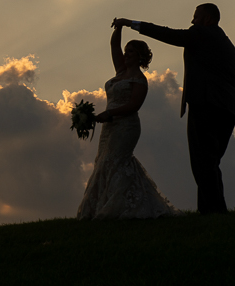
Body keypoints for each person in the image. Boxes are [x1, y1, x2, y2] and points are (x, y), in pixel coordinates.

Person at [114, 3, 235, 214]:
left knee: (203, 163)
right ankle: (210, 211)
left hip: (205, 105)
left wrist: (132, 24)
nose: (192, 22)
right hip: (228, 110)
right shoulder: (228, 45)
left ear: (207, 19)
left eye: (196, 17)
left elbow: (169, 35)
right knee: (210, 162)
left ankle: (215, 212)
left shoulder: (201, 33)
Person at [76, 20, 179, 220]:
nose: (126, 54)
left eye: (131, 51)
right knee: (103, 162)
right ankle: (101, 206)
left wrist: (111, 114)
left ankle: (119, 208)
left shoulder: (140, 80)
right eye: (126, 50)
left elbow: (134, 106)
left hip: (126, 127)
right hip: (109, 126)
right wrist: (120, 27)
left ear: (140, 57)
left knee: (117, 161)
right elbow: (114, 46)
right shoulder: (120, 72)